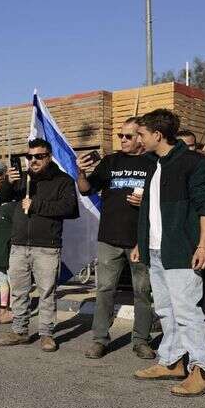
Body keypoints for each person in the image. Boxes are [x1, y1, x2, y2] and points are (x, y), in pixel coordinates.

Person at [132, 109, 205, 397]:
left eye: (141, 134)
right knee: (166, 311)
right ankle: (172, 362)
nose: (137, 139)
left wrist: (203, 245)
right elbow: (151, 211)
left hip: (183, 251)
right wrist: (141, 244)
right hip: (156, 250)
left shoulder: (194, 163)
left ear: (157, 135)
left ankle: (202, 370)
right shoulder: (152, 164)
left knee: (186, 313)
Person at [75, 117, 155, 359]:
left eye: (128, 136)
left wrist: (146, 201)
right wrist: (80, 171)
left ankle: (141, 340)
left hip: (140, 240)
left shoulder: (153, 163)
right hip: (109, 239)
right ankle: (100, 339)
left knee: (143, 291)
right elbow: (86, 188)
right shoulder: (111, 161)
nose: (122, 140)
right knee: (105, 289)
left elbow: (163, 200)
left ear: (140, 137)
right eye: (120, 135)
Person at [0, 139, 79, 352]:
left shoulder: (63, 180)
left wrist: (36, 205)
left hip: (47, 246)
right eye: (29, 156)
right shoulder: (23, 179)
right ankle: (20, 331)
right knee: (19, 292)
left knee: (47, 293)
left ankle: (46, 334)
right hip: (19, 245)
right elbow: (2, 198)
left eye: (38, 156)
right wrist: (7, 183)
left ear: (49, 157)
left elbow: (70, 209)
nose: (33, 160)